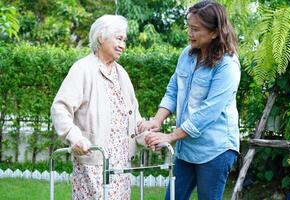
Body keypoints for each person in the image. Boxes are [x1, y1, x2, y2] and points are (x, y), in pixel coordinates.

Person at [138, 1, 241, 199]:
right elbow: (173, 90)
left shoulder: (227, 66)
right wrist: (157, 121)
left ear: (214, 32)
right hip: (187, 149)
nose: (189, 33)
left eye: (195, 29)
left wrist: (169, 137)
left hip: (215, 150)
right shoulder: (187, 55)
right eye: (189, 27)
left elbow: (207, 112)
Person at [51, 15, 145, 200]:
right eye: (119, 38)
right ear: (101, 38)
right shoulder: (83, 69)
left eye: (124, 40)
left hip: (121, 162)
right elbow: (60, 108)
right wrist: (75, 137)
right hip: (94, 159)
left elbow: (133, 115)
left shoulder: (122, 74)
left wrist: (145, 135)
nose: (123, 45)